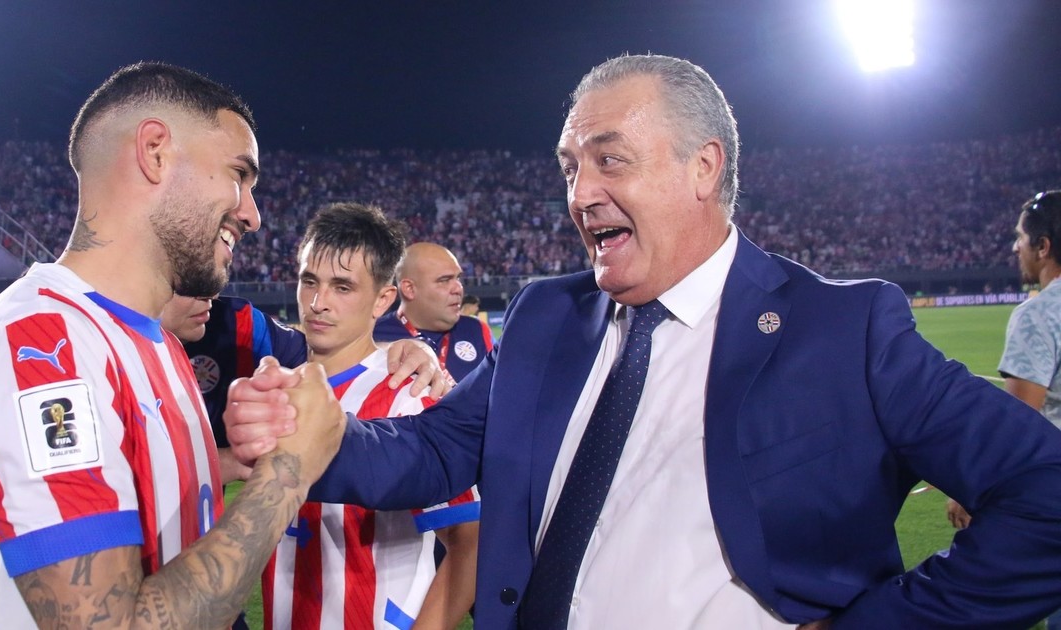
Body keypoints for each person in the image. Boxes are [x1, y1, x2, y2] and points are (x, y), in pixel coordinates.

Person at [228, 54, 1061, 629]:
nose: (580, 193)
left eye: (610, 161)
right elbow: (437, 449)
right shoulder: (547, 317)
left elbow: (1045, 494)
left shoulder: (847, 330)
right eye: (569, 167)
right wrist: (318, 436)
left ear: (704, 168)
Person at [0, 61, 351, 628]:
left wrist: (405, 348)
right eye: (239, 174)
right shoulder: (43, 344)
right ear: (155, 152)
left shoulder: (157, 344)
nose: (252, 215)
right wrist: (288, 473)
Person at [260, 202, 478, 629]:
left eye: (342, 287)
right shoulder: (277, 389)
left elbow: (469, 539)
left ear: (383, 299)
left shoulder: (409, 395)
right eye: (309, 281)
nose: (318, 303)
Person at [161, 293, 450, 477]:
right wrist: (228, 461)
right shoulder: (130, 353)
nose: (210, 294)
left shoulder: (234, 322)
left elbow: (323, 357)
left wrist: (404, 350)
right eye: (191, 282)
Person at [946, 189, 1061, 628]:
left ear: (1043, 246)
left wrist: (969, 488)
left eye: (1020, 238)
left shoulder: (1039, 315)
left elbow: (1019, 427)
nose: (1016, 247)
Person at [373, 242, 493, 382]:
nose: (458, 289)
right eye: (444, 280)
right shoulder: (374, 336)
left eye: (458, 278)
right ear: (409, 289)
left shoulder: (476, 330)